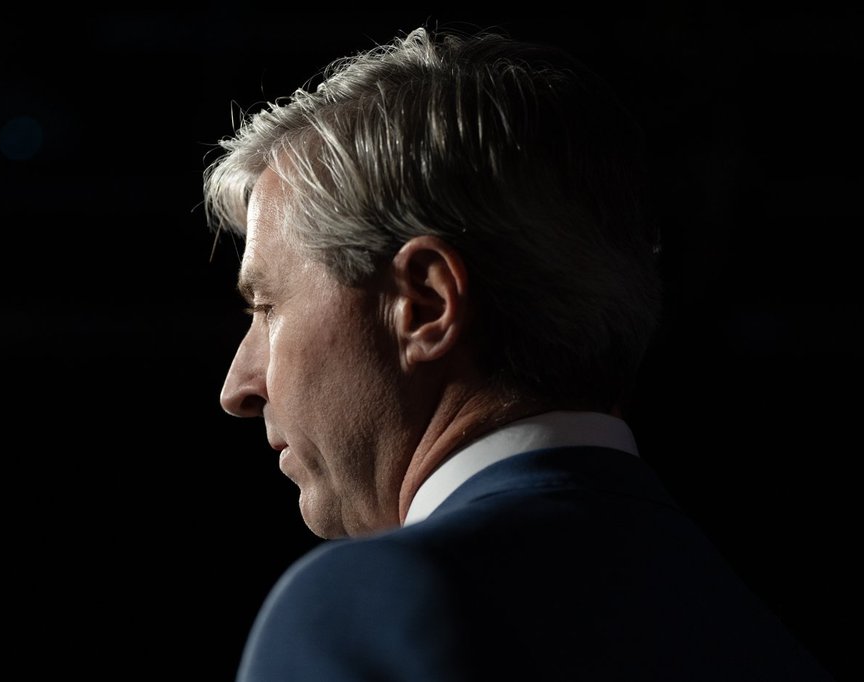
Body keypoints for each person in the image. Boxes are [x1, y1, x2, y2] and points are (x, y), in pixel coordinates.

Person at [203, 25, 835, 681]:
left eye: (266, 307)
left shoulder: (365, 610)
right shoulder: (751, 631)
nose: (238, 388)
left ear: (424, 305)